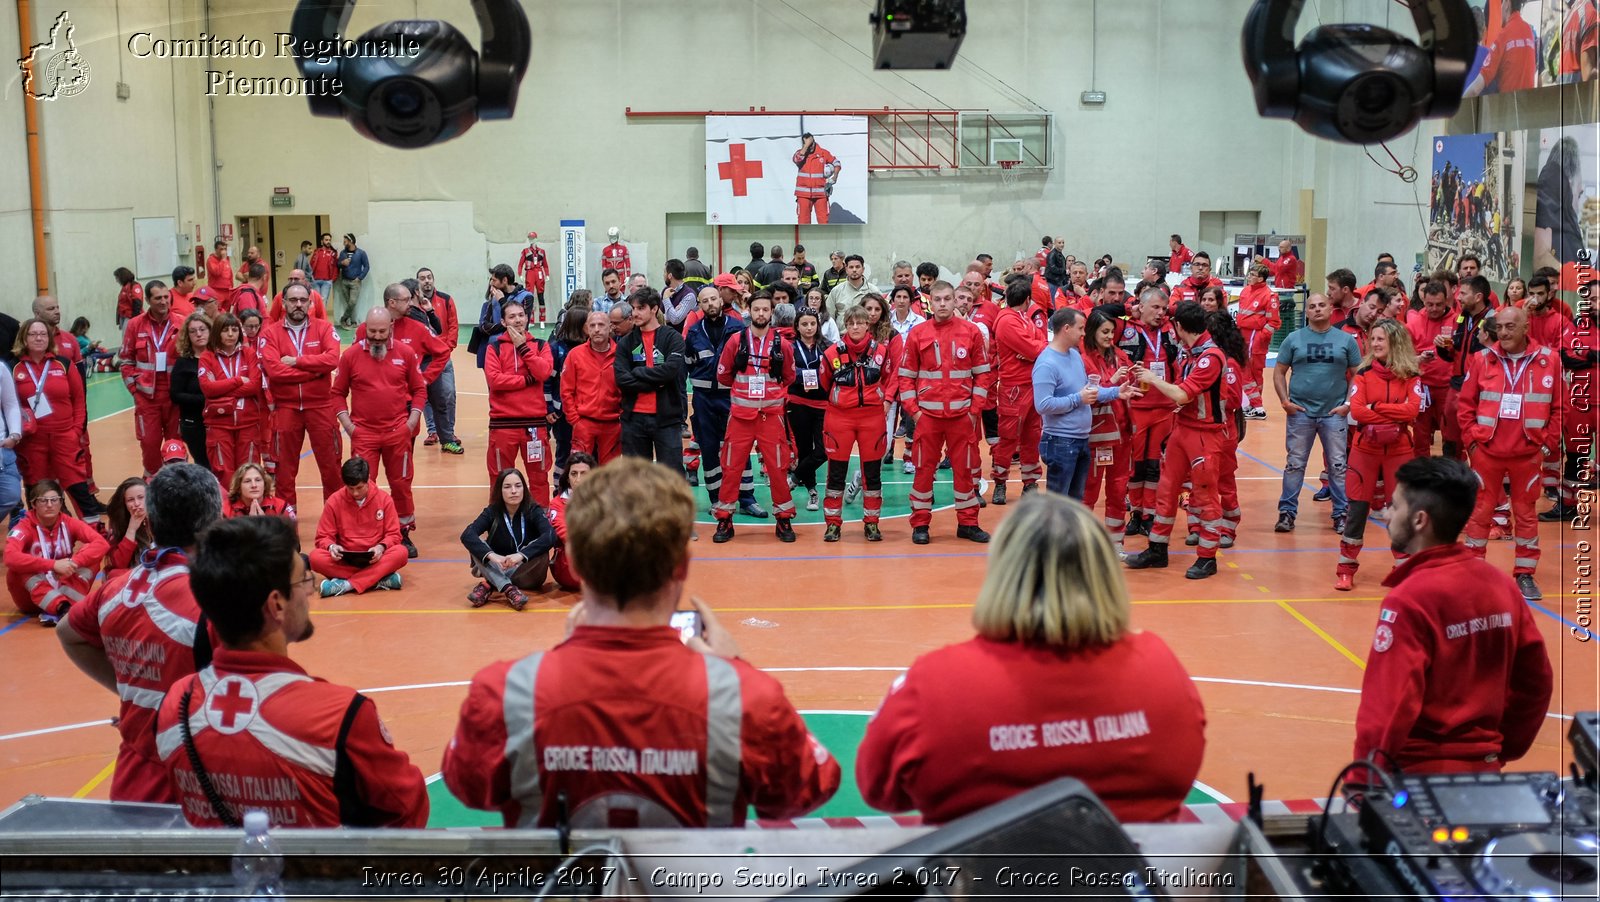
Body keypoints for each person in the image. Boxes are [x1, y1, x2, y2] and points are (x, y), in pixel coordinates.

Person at [442, 457, 840, 828]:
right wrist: (736, 670)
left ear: (574, 561)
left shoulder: (504, 693)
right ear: (682, 564)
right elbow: (812, 785)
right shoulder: (745, 698)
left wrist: (561, 660)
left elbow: (465, 784)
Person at [857, 493, 1205, 824]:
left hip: (986, 882)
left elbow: (878, 788)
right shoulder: (1160, 669)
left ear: (1002, 574)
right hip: (1127, 882)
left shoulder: (935, 683)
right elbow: (1182, 771)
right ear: (1104, 575)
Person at [154, 515, 429, 827]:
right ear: (277, 605)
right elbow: (408, 810)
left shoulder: (173, 705)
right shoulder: (338, 715)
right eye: (302, 581)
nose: (309, 592)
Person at [1353, 457, 1552, 773]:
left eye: (1395, 506)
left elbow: (1389, 707)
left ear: (1420, 520)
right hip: (1485, 772)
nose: (1387, 514)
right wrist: (1502, 748)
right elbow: (1536, 682)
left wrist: (1364, 784)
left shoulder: (1408, 600)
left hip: (1418, 778)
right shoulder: (1502, 586)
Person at [56, 464, 218, 801]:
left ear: (153, 520)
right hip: (199, 779)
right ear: (213, 524)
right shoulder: (215, 601)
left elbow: (67, 631)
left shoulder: (114, 591)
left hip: (134, 780)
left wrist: (131, 692)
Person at [1457, 304, 1562, 601]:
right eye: (1499, 327)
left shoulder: (1549, 360)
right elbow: (1465, 406)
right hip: (1486, 453)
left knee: (1526, 515)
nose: (1502, 333)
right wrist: (1473, 443)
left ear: (1526, 327)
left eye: (1509, 327)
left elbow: (1559, 408)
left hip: (1527, 454)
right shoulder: (1481, 359)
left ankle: (1525, 574)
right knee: (1480, 513)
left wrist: (1546, 445)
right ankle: (1473, 572)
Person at [1124, 301, 1230, 580]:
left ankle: (1207, 557)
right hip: (1182, 429)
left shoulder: (1211, 357)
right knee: (1166, 490)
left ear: (1179, 327)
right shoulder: (1189, 353)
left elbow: (1183, 394)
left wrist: (1151, 379)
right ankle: (1157, 548)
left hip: (1205, 435)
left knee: (1204, 496)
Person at [900, 282, 991, 545]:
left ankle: (968, 523)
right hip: (927, 418)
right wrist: (915, 413)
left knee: (966, 470)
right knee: (923, 471)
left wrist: (974, 412)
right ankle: (920, 525)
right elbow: (905, 378)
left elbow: (983, 375)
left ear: (955, 301)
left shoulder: (971, 332)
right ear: (930, 302)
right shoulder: (918, 333)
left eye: (947, 299)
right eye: (937, 299)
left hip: (962, 417)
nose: (942, 304)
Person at [1335, 320, 1423, 591]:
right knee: (1357, 509)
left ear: (1395, 342)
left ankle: (1403, 568)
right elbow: (1358, 412)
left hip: (1399, 451)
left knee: (1400, 511)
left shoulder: (1411, 375)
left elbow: (1412, 411)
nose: (1374, 344)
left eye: (1380, 339)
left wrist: (1378, 406)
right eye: (1372, 339)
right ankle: (1345, 570)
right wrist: (1389, 411)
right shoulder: (1362, 373)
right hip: (1365, 452)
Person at [335, 306, 427, 557]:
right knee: (363, 486)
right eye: (371, 331)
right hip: (364, 434)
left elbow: (419, 390)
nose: (376, 336)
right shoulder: (351, 356)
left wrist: (411, 422)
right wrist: (349, 426)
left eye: (381, 331)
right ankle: (366, 535)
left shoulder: (406, 354)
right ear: (364, 328)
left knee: (401, 484)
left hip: (398, 432)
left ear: (391, 329)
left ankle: (403, 533)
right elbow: (337, 393)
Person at [1272, 294, 1361, 533]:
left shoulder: (1346, 340)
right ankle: (1287, 514)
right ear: (1307, 312)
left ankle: (1341, 514)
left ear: (1331, 309)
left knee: (1337, 465)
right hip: (1300, 412)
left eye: (1322, 305)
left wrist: (1349, 403)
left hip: (1334, 413)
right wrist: (1284, 401)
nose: (1317, 309)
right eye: (1312, 306)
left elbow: (1357, 374)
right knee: (1295, 464)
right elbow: (1279, 372)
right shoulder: (1293, 339)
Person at [713, 293, 797, 543]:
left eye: (765, 310)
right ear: (749, 310)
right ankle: (724, 519)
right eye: (757, 309)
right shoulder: (735, 341)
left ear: (772, 312)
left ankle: (783, 519)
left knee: (778, 468)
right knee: (731, 468)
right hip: (740, 417)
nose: (761, 314)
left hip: (770, 417)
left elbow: (789, 377)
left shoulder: (783, 345)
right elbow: (723, 376)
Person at [1035, 308, 1140, 500]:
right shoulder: (1046, 363)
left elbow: (1089, 390)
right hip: (1061, 441)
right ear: (1066, 329)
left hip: (1081, 439)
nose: (1084, 333)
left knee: (1075, 503)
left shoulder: (1074, 356)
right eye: (1081, 328)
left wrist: (1117, 392)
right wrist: (1078, 399)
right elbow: (1043, 405)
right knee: (1058, 504)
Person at [259, 283, 343, 509]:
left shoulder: (324, 328)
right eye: (293, 300)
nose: (298, 304)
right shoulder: (269, 334)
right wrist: (315, 372)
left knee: (332, 469)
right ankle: (288, 525)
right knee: (285, 472)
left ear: (310, 303)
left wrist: (297, 361)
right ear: (283, 303)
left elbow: (332, 360)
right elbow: (274, 371)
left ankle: (335, 522)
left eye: (303, 300)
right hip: (286, 409)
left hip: (321, 406)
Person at [12, 318, 103, 521]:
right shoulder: (14, 368)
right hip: (32, 442)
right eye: (33, 334)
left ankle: (95, 532)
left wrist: (75, 432)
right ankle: (42, 536)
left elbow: (79, 401)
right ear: (24, 338)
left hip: (65, 437)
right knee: (37, 491)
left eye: (43, 334)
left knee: (78, 487)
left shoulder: (63, 364)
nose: (39, 338)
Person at [818, 306, 895, 542]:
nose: (855, 327)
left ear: (867, 325)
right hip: (839, 417)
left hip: (871, 418)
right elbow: (824, 382)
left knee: (871, 473)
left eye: (859, 323)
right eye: (850, 323)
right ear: (845, 325)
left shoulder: (881, 352)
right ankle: (833, 524)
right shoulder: (832, 353)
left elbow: (891, 378)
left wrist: (887, 401)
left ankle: (872, 523)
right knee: (836, 473)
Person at [1119, 289, 1180, 538]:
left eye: (1164, 309)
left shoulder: (1171, 329)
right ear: (1140, 307)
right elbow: (1094, 316)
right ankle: (1135, 511)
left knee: (1156, 465)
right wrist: (1126, 309)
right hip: (1136, 407)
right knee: (1137, 465)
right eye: (1155, 307)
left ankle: (1149, 514)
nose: (1160, 313)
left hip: (1165, 408)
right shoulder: (1124, 328)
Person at [484, 296, 555, 504]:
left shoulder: (541, 345)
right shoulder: (494, 348)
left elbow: (543, 372)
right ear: (504, 322)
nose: (517, 320)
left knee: (539, 478)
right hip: (503, 425)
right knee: (499, 479)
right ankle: (500, 524)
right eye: (512, 317)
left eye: (521, 315)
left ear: (527, 318)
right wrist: (526, 380)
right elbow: (495, 381)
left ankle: (540, 523)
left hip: (534, 425)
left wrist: (523, 348)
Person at [5, 479, 107, 623]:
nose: (49, 505)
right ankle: (62, 607)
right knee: (19, 566)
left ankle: (65, 606)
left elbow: (101, 543)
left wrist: (74, 562)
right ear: (33, 504)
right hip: (31, 598)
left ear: (61, 502)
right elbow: (10, 557)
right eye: (43, 501)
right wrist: (53, 565)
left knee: (92, 558)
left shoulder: (69, 523)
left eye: (54, 500)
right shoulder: (24, 527)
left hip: (63, 583)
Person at [1081, 309, 1137, 555]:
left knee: (1117, 491)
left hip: (1123, 437)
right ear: (1092, 332)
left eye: (1112, 332)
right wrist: (1113, 381)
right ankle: (1083, 546)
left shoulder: (1121, 356)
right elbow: (1088, 397)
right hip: (1097, 439)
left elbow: (1131, 387)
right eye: (1105, 332)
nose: (1110, 337)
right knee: (1088, 493)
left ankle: (1116, 545)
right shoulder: (1083, 360)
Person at [462, 467, 557, 610]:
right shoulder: (492, 512)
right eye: (507, 487)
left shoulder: (533, 510)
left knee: (541, 549)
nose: (514, 491)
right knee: (476, 543)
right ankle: (508, 588)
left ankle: (490, 584)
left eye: (518, 486)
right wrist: (494, 557)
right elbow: (467, 534)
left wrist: (521, 555)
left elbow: (550, 535)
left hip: (527, 574)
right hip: (498, 565)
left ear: (524, 489)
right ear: (500, 491)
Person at [312, 458, 407, 596]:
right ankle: (377, 579)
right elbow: (323, 537)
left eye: (359, 488)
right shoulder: (334, 501)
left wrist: (381, 547)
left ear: (368, 479)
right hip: (345, 560)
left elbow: (394, 535)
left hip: (376, 558)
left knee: (401, 553)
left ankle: (345, 585)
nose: (355, 493)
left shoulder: (384, 499)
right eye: (350, 488)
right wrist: (331, 547)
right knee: (315, 558)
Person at [991, 278, 1048, 503]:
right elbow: (1036, 349)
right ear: (1027, 300)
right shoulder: (1007, 321)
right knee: (1008, 437)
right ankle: (1000, 482)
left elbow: (1039, 344)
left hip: (1031, 385)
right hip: (1013, 388)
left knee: (1032, 436)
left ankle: (1030, 482)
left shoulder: (1021, 319)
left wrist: (1032, 350)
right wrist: (1031, 351)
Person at [120, 279, 183, 478]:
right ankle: (151, 485)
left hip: (175, 397)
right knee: (149, 444)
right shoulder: (135, 325)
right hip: (147, 398)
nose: (164, 302)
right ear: (148, 300)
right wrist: (135, 391)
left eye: (166, 297)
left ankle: (179, 485)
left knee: (176, 446)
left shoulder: (182, 323)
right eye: (158, 298)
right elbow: (125, 361)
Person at [197, 312, 264, 486]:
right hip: (219, 423)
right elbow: (207, 389)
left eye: (234, 330)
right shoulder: (207, 357)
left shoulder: (249, 354)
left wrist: (221, 388)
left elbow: (255, 385)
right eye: (225, 330)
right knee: (223, 472)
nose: (230, 334)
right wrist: (238, 380)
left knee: (249, 472)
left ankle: (248, 511)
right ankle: (229, 512)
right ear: (217, 332)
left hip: (248, 422)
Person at [559, 308, 622, 463]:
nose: (597, 329)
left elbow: (627, 388)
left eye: (601, 325)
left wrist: (622, 415)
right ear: (586, 329)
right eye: (592, 325)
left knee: (609, 473)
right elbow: (566, 390)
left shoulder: (621, 354)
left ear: (610, 327)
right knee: (580, 469)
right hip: (584, 423)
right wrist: (575, 421)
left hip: (612, 424)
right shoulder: (575, 355)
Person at [1406, 280, 1456, 458]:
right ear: (1423, 300)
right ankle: (1422, 475)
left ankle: (1452, 474)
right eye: (1429, 304)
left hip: (1447, 387)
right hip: (1422, 387)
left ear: (1447, 301)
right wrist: (1418, 359)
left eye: (1439, 304)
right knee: (1420, 435)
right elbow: (1404, 356)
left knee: (1451, 434)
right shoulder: (1413, 323)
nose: (1434, 308)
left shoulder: (1457, 321)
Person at [416, 267, 463, 454]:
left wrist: (447, 347)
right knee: (427, 395)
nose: (426, 281)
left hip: (443, 356)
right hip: (424, 358)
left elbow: (453, 324)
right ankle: (433, 431)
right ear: (417, 282)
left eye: (429, 277)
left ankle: (449, 432)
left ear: (433, 280)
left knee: (448, 394)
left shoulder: (445, 299)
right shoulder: (414, 304)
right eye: (422, 278)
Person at [786, 307, 829, 512]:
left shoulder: (827, 346)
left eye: (812, 323)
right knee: (804, 450)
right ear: (797, 326)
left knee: (823, 450)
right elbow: (787, 371)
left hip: (823, 405)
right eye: (804, 324)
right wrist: (806, 376)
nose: (809, 327)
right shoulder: (790, 347)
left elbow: (833, 371)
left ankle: (794, 478)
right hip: (798, 403)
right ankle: (813, 493)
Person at [170, 311, 214, 474]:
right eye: (193, 331)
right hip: (194, 423)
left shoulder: (218, 358)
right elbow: (175, 395)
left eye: (202, 329)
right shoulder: (183, 363)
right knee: (204, 465)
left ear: (210, 331)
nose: (199, 334)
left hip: (219, 421)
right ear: (187, 336)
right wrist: (205, 398)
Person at [1236, 264, 1281, 419]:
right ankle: (1253, 404)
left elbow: (1274, 322)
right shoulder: (1246, 291)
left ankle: (1257, 406)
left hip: (1256, 337)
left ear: (1261, 278)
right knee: (1244, 370)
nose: (1249, 276)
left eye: (1253, 274)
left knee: (1253, 372)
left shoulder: (1269, 296)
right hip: (1243, 335)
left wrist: (1260, 338)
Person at [546, 451, 593, 591]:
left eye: (584, 473)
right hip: (569, 569)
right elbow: (565, 533)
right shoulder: (557, 504)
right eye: (574, 474)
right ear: (567, 478)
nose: (578, 479)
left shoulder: (603, 499)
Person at [225, 462, 294, 520]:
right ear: (238, 487)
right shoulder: (225, 510)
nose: (254, 485)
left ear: (265, 483)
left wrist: (264, 524)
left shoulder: (281, 507)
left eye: (258, 480)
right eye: (247, 481)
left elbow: (290, 535)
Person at [332, 233, 370, 328]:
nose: (343, 243)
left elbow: (366, 266)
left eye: (345, 241)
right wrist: (342, 263)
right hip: (344, 281)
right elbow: (338, 265)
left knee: (352, 302)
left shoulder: (361, 253)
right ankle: (353, 322)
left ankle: (343, 319)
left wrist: (360, 277)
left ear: (351, 241)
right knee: (349, 302)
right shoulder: (343, 253)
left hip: (355, 282)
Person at [517, 232, 551, 319]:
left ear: (536, 239)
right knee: (529, 295)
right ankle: (530, 319)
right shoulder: (525, 251)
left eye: (532, 238)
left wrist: (547, 274)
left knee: (541, 296)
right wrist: (520, 274)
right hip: (530, 273)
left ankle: (542, 319)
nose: (531, 240)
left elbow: (545, 264)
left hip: (539, 272)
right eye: (530, 238)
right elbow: (520, 264)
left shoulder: (542, 252)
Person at [205, 239, 234, 305]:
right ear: (216, 250)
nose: (223, 251)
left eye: (224, 249)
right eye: (221, 249)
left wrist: (232, 289)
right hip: (217, 290)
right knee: (218, 311)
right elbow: (216, 272)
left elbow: (230, 274)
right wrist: (223, 260)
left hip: (227, 290)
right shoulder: (211, 260)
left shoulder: (227, 259)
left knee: (226, 313)